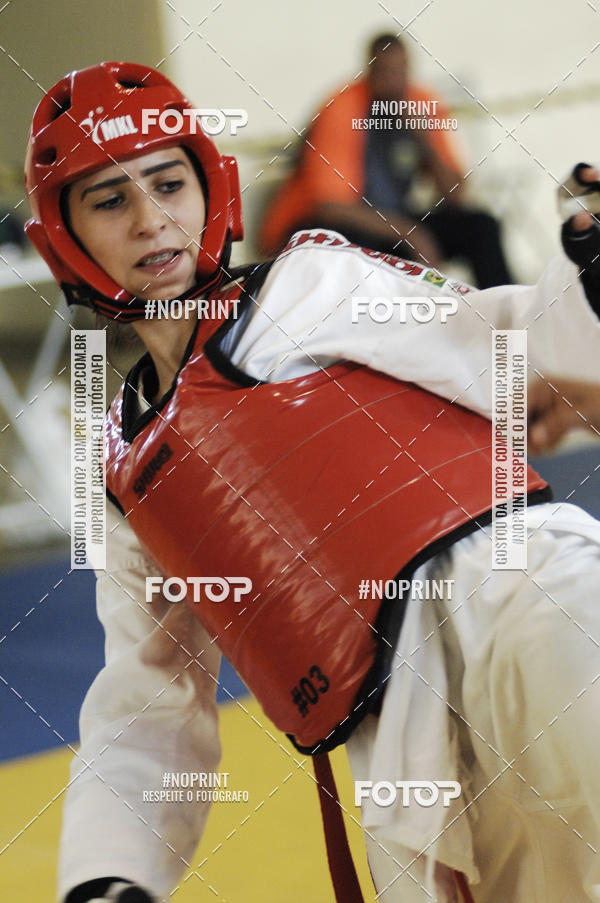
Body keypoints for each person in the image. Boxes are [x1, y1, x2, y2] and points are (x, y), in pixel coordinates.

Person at [25, 62, 600, 903]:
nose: (152, 221)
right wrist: (108, 877)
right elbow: (146, 702)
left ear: (210, 189)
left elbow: (505, 335)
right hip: (402, 753)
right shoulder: (121, 474)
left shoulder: (307, 286)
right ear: (66, 236)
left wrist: (588, 281)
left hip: (527, 606)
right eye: (110, 200)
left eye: (167, 183)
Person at [259, 33, 514, 289]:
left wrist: (425, 141)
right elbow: (331, 206)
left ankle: (504, 317)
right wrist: (410, 234)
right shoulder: (341, 108)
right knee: (347, 242)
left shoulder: (421, 102)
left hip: (392, 223)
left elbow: (456, 197)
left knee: (481, 226)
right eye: (384, 73)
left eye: (399, 72)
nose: (392, 83)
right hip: (327, 227)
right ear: (369, 71)